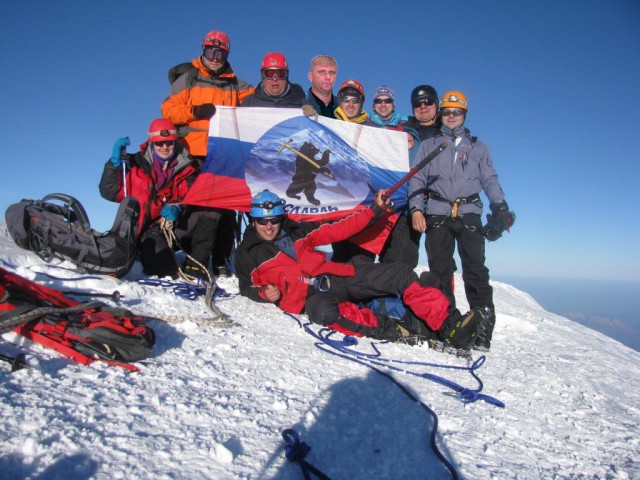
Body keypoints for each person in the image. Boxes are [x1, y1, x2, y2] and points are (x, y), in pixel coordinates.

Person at [234, 189, 485, 349]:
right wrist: (263, 294)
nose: (268, 226)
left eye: (274, 220)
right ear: (253, 220)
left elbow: (341, 228)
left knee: (399, 274)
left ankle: (450, 326)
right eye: (262, 221)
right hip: (311, 300)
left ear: (281, 218)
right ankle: (395, 330)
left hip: (336, 278)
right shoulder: (246, 254)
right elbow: (246, 287)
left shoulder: (299, 232)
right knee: (324, 312)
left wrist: (375, 210)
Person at [408, 91, 516, 351]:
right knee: (440, 270)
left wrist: (500, 206)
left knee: (475, 270)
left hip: (469, 212)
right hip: (437, 211)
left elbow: (489, 179)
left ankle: (482, 327)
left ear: (464, 115)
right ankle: (448, 323)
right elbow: (417, 179)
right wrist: (415, 209)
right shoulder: (430, 145)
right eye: (446, 112)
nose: (451, 116)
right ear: (441, 115)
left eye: (456, 112)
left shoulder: (478, 147)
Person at [161, 29, 254, 276]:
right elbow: (168, 109)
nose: (214, 57)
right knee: (194, 206)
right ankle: (191, 254)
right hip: (191, 153)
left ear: (226, 54)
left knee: (224, 209)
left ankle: (221, 258)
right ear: (202, 50)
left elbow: (260, 99)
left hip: (222, 155)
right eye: (210, 51)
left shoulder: (235, 83)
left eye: (220, 52)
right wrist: (194, 111)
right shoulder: (189, 77)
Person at [99, 119, 221, 279]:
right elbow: (109, 192)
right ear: (151, 142)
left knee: (211, 209)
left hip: (169, 226)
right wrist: (113, 165)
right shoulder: (134, 164)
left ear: (175, 142)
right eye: (159, 144)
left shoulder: (187, 167)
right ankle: (140, 251)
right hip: (140, 229)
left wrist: (178, 206)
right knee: (164, 270)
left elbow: (191, 195)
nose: (164, 148)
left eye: (169, 143)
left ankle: (196, 265)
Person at [240, 52, 307, 108]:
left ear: (287, 76)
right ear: (262, 76)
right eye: (269, 74)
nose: (275, 79)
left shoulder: (300, 102)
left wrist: (312, 117)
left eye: (280, 74)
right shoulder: (249, 103)